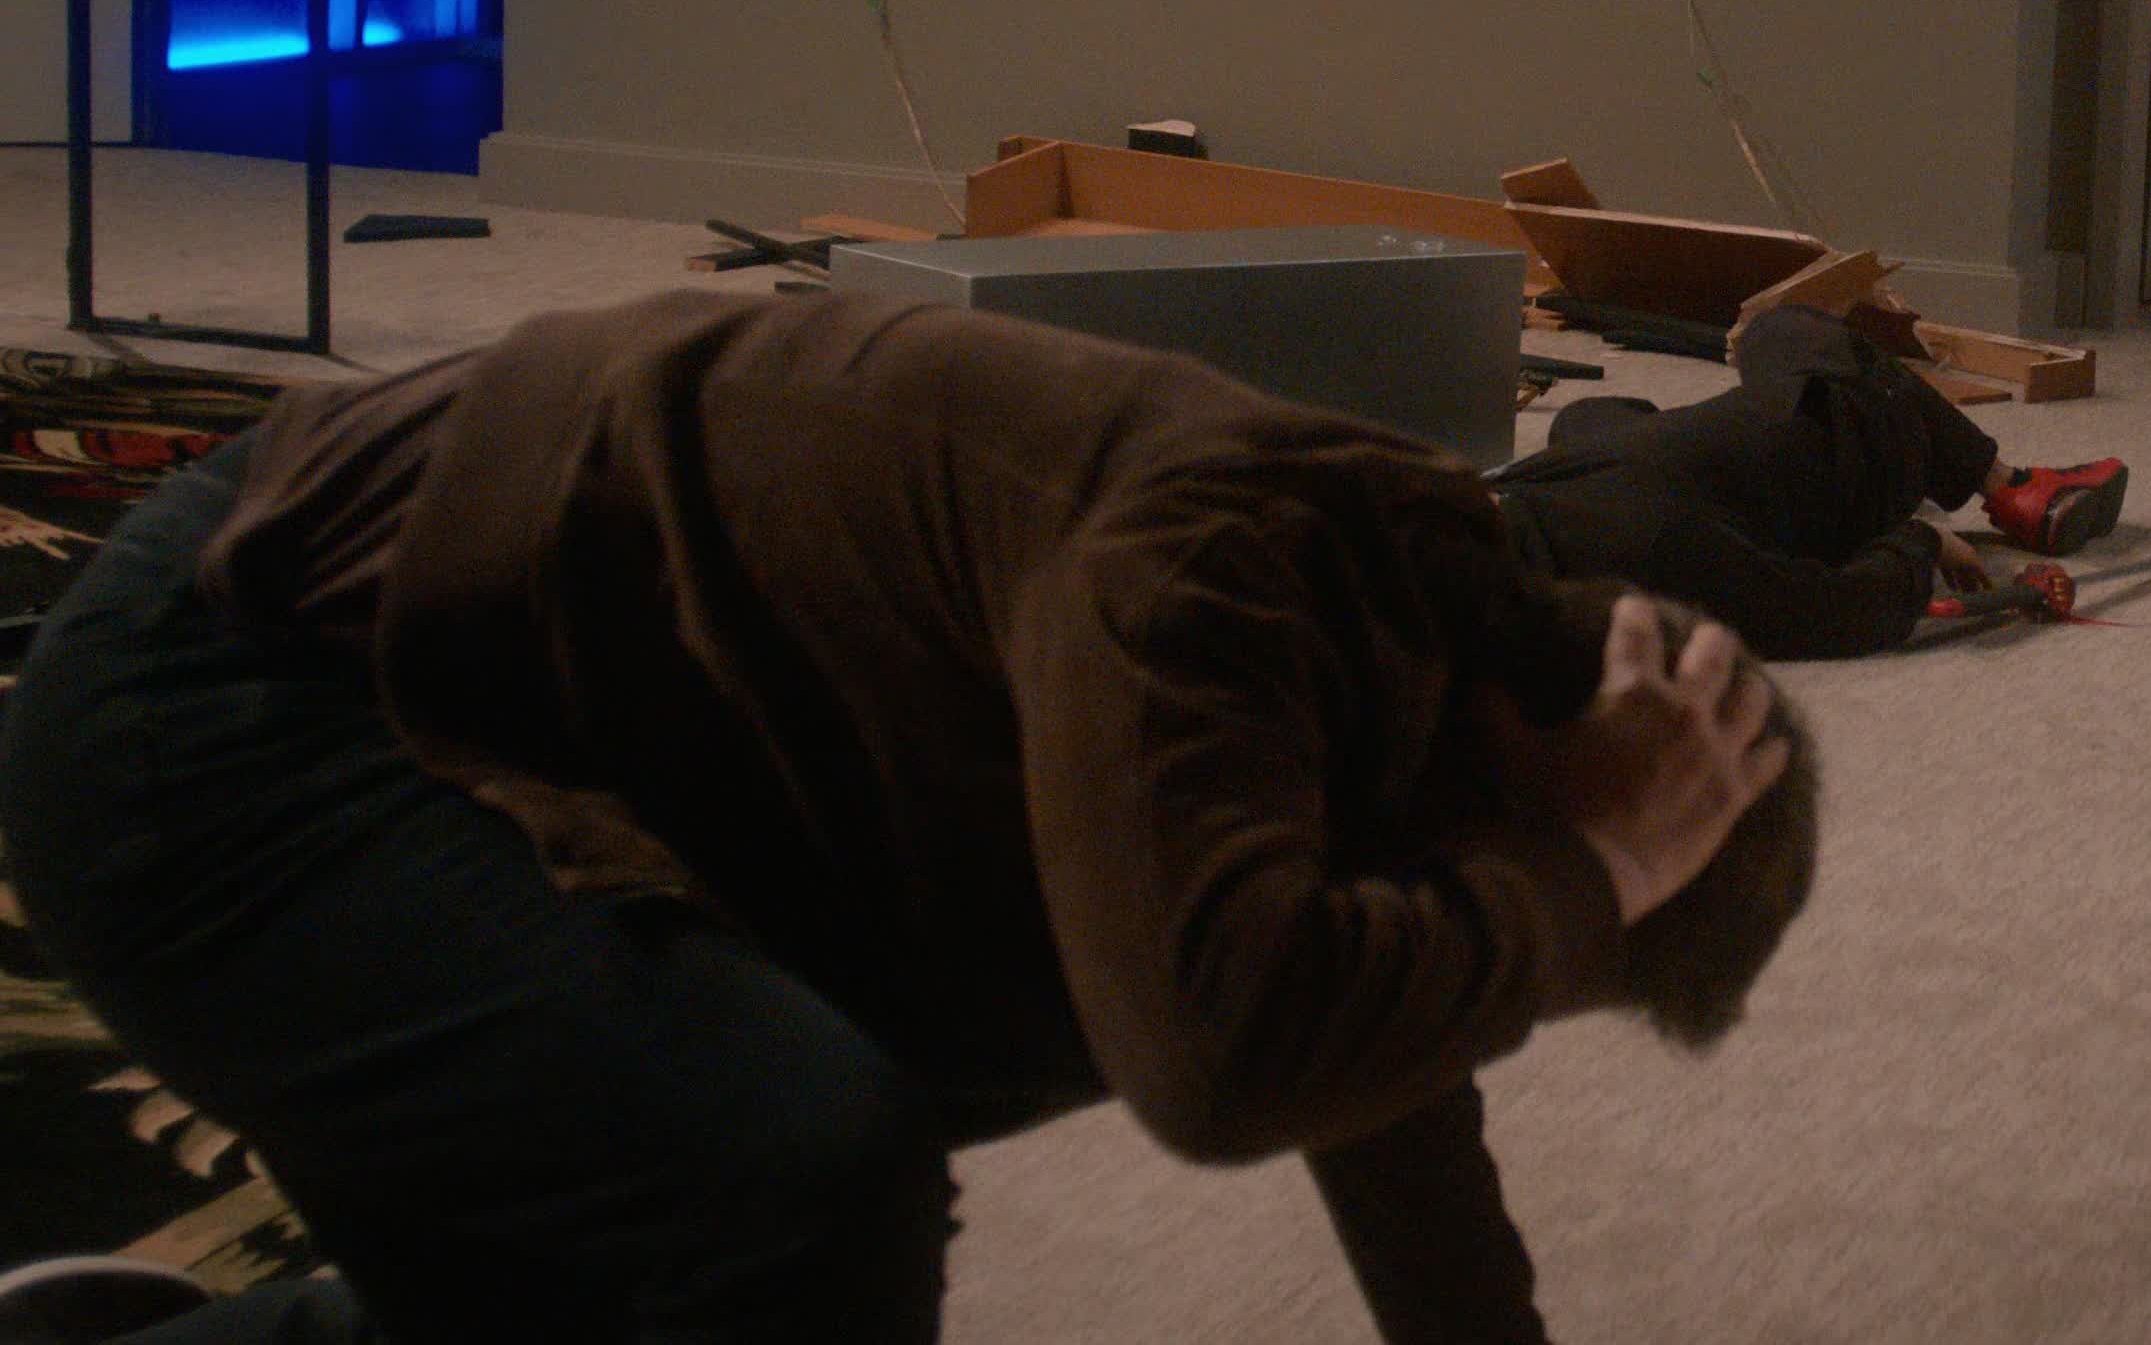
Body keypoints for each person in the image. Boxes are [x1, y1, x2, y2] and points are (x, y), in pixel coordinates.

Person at [0, 287, 1816, 1343]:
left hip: (465, 702)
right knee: (798, 1170)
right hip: (226, 709)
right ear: (1535, 754)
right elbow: (1224, 1059)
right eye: (1526, 897)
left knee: (617, 1265)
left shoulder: (1398, 662)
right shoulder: (1219, 557)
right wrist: (1586, 877)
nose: (1492, 976)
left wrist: (1559, 883)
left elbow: (1379, 1059)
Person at [1493, 303, 2130, 663]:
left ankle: (1700, 460)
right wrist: (1924, 544)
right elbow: (1832, 612)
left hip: (1645, 486)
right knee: (1779, 329)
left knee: (1585, 418)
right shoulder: (1649, 543)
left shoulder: (1528, 518)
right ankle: (2012, 485)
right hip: (1856, 455)